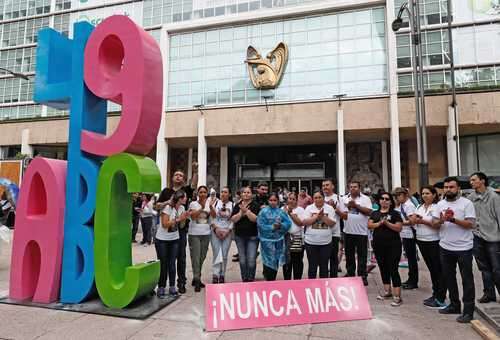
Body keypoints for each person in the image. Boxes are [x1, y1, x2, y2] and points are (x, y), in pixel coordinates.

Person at [432, 176, 476, 323]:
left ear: (458, 188)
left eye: (451, 187)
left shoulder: (467, 203)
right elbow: (435, 224)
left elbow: (470, 224)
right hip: (445, 247)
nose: (448, 190)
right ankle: (454, 305)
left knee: (467, 280)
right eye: (446, 187)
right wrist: (441, 220)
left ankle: (468, 310)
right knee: (449, 278)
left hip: (464, 248)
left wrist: (453, 219)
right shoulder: (439, 204)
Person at [156, 165, 197, 294]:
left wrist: (195, 171)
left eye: (181, 175)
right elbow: (157, 206)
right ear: (172, 178)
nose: (178, 177)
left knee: (181, 257)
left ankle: (180, 283)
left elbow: (194, 184)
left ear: (184, 179)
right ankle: (163, 284)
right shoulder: (166, 191)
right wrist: (166, 203)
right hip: (166, 230)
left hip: (180, 231)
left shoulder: (185, 191)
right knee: (166, 259)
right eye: (176, 175)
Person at [410, 186, 447, 309]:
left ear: (434, 195)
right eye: (423, 193)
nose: (424, 195)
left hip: (433, 241)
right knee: (432, 269)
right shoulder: (419, 207)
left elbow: (437, 225)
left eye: (427, 193)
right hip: (421, 240)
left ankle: (440, 297)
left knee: (437, 269)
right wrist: (414, 220)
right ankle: (435, 294)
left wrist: (422, 221)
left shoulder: (436, 207)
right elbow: (413, 219)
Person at [469, 172, 500, 304]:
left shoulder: (494, 197)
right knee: (483, 267)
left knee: (497, 268)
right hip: (477, 236)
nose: (471, 182)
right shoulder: (470, 198)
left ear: (482, 181)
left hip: (494, 238)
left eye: (474, 180)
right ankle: (489, 293)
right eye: (471, 180)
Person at [368, 192, 403, 306]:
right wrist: (379, 223)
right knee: (383, 267)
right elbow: (369, 225)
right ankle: (387, 291)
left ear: (390, 201)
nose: (384, 200)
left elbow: (399, 228)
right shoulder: (375, 213)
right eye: (382, 199)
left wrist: (387, 223)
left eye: (387, 199)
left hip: (393, 245)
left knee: (393, 268)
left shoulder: (395, 213)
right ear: (379, 201)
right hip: (378, 245)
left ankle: (397, 295)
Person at [155, 190, 189, 298]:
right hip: (162, 239)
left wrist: (185, 218)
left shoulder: (182, 208)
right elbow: (165, 224)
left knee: (172, 263)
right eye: (185, 197)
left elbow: (182, 226)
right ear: (179, 198)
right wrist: (179, 219)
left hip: (175, 239)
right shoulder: (167, 208)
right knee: (163, 263)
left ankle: (172, 286)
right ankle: (161, 286)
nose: (186, 199)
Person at [342, 181, 373, 286]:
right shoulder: (344, 198)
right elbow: (343, 213)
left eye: (355, 187)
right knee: (349, 255)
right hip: (348, 231)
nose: (352, 189)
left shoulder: (365, 199)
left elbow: (369, 212)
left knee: (362, 255)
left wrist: (356, 205)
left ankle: (362, 275)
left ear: (360, 188)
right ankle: (350, 273)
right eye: (350, 187)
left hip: (361, 232)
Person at [257, 193, 292, 281]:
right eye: (271, 200)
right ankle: (268, 278)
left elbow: (288, 223)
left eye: (275, 200)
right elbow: (260, 225)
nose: (272, 202)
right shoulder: (263, 212)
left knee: (275, 261)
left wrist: (280, 226)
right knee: (267, 262)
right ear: (268, 201)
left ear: (278, 201)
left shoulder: (281, 212)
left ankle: (272, 280)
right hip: (266, 242)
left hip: (278, 242)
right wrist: (272, 227)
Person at [303, 191, 336, 279]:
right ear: (313, 199)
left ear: (323, 198)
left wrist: (323, 217)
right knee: (312, 267)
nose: (317, 199)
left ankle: (323, 287)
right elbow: (305, 222)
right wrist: (316, 217)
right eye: (315, 198)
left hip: (326, 243)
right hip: (311, 242)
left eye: (319, 197)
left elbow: (332, 223)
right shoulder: (309, 208)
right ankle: (311, 286)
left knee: (324, 267)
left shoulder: (330, 208)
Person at [231, 186, 260, 282]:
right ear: (241, 194)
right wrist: (240, 213)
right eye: (244, 192)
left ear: (251, 194)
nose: (246, 194)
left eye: (248, 192)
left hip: (253, 236)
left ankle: (251, 278)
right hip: (239, 236)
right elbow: (233, 219)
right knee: (242, 260)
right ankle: (244, 279)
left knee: (251, 259)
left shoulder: (255, 205)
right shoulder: (237, 205)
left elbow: (255, 219)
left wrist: (246, 211)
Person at [394, 187, 418, 290]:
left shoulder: (409, 205)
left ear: (404, 195)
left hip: (410, 234)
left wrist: (400, 223)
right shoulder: (402, 205)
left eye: (399, 195)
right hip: (405, 234)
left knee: (412, 258)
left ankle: (413, 281)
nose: (397, 198)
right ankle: (410, 278)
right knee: (409, 258)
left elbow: (412, 221)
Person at [322, 179, 347, 278]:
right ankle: (323, 279)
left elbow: (344, 215)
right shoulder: (319, 197)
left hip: (334, 232)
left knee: (333, 257)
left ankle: (333, 278)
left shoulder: (339, 198)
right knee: (323, 258)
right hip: (321, 233)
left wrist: (334, 208)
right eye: (323, 185)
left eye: (327, 185)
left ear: (333, 186)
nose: (325, 187)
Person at [188, 185, 211, 292]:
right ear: (197, 194)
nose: (202, 194)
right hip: (194, 234)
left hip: (206, 233)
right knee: (195, 257)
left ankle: (196, 276)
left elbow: (213, 217)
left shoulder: (209, 204)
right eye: (200, 192)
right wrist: (201, 207)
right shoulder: (193, 204)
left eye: (204, 192)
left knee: (202, 256)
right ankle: (197, 279)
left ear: (207, 194)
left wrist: (210, 207)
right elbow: (193, 217)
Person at [210, 186, 234, 284]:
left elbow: (233, 220)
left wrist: (228, 230)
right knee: (216, 253)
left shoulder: (233, 204)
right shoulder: (215, 203)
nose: (223, 194)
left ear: (229, 194)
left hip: (227, 232)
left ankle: (222, 274)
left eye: (225, 192)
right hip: (215, 231)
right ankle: (215, 274)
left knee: (224, 254)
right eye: (222, 192)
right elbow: (211, 217)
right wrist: (215, 228)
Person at [282, 192, 306, 280]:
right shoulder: (282, 209)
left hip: (297, 239)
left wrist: (290, 214)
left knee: (297, 262)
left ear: (296, 200)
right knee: (287, 262)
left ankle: (297, 281)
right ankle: (287, 281)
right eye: (290, 198)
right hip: (286, 239)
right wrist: (284, 214)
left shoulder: (301, 210)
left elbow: (300, 223)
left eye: (293, 199)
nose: (291, 201)